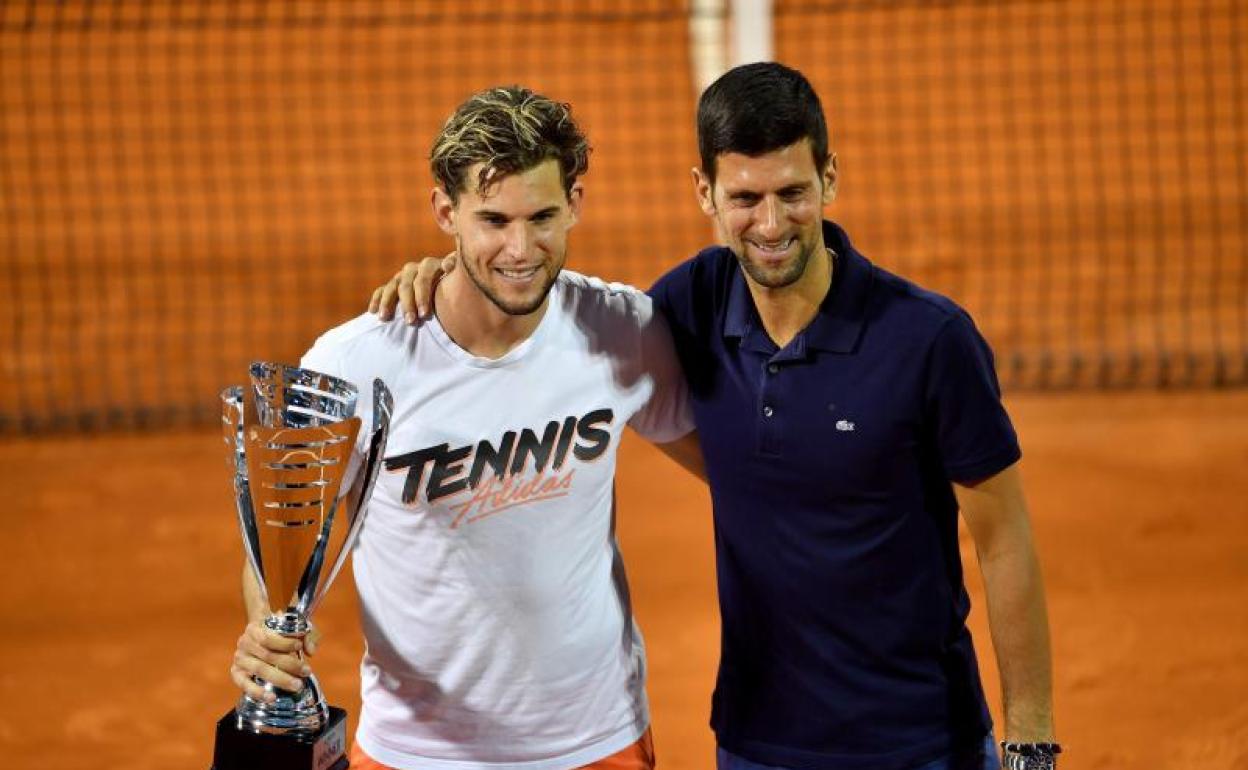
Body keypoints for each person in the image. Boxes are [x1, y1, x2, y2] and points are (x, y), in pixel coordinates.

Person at [372, 62, 1059, 770]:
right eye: (745, 198)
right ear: (705, 192)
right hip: (757, 740)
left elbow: (1004, 540)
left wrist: (1031, 742)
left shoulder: (929, 340)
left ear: (829, 179)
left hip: (923, 740)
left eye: (792, 193)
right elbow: (543, 315)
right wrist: (447, 276)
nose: (771, 224)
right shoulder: (685, 310)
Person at [231, 85, 703, 770]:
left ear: (575, 202)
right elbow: (279, 543)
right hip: (417, 751)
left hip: (596, 740)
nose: (520, 248)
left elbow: (735, 471)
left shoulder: (622, 331)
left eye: (542, 216)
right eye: (493, 220)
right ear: (444, 212)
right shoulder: (357, 362)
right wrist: (265, 625)